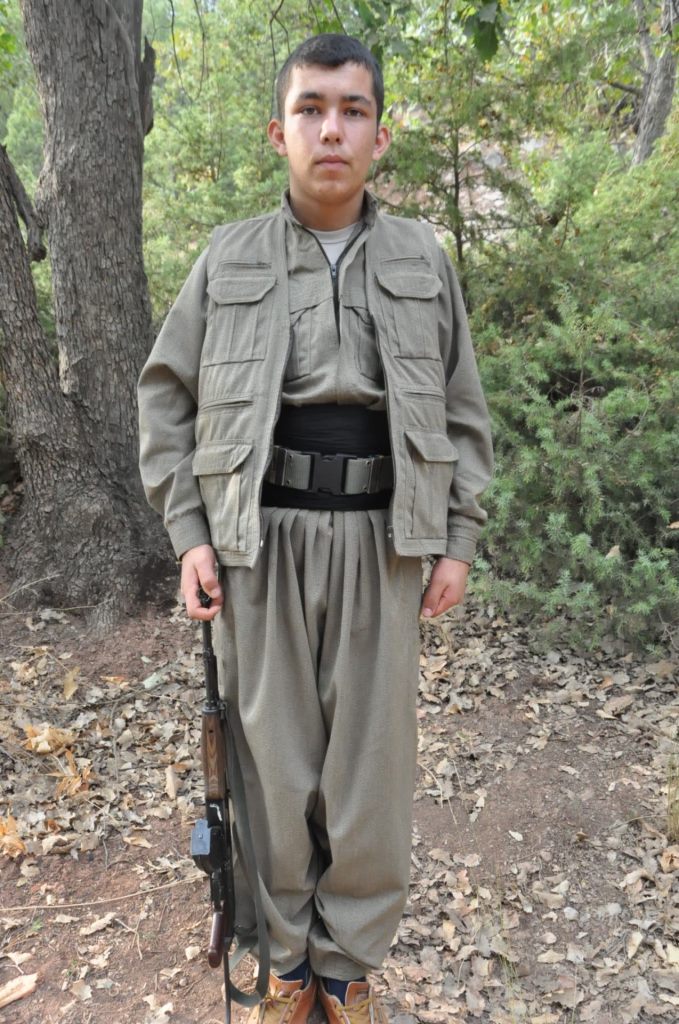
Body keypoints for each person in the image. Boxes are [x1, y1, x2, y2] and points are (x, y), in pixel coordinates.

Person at [138, 33, 492, 1024]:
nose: (330, 129)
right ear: (277, 131)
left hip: (384, 540)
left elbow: (461, 408)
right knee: (271, 764)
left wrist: (456, 537)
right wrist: (190, 533)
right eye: (310, 110)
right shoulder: (229, 257)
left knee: (369, 771)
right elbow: (165, 397)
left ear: (380, 135)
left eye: (351, 110)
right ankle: (285, 960)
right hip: (259, 542)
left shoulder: (421, 258)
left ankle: (345, 965)